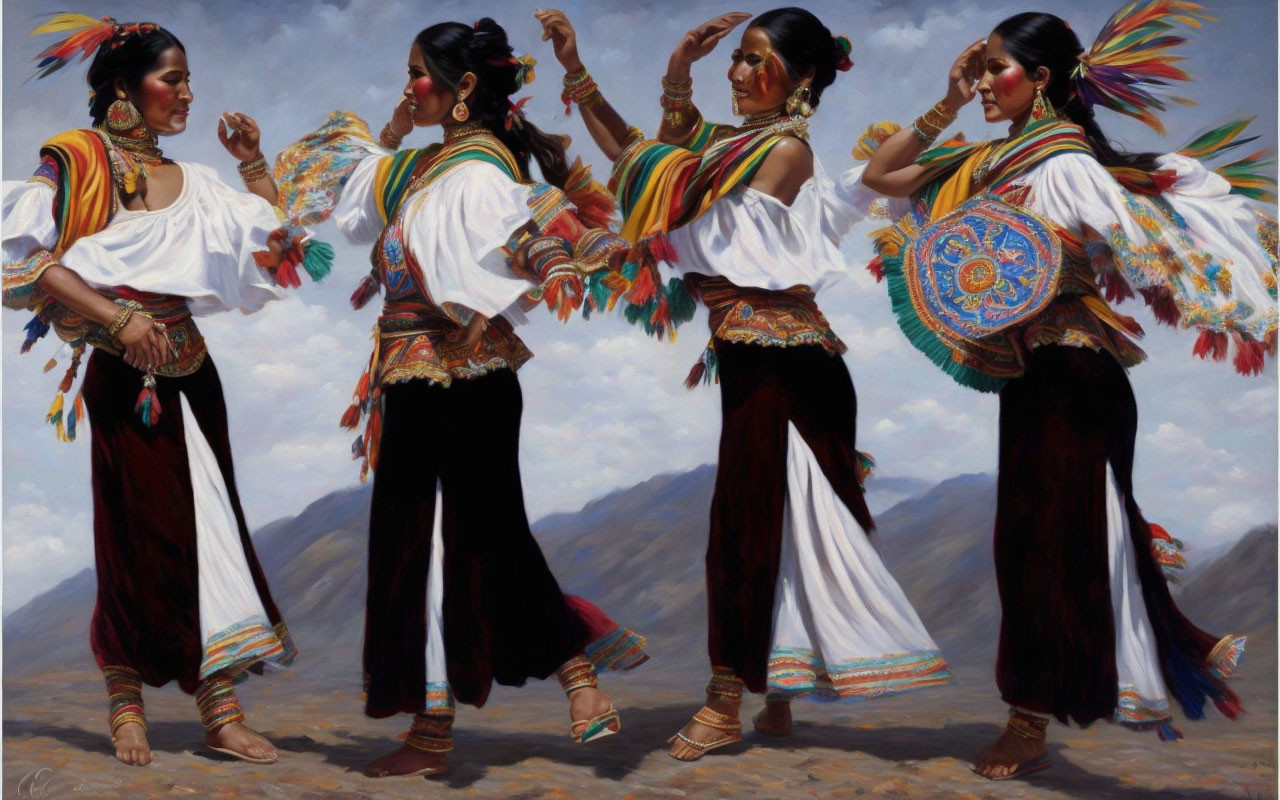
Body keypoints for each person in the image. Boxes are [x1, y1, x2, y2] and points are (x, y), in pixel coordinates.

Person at [861, 1, 1271, 781]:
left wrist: (1109, 249)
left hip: (1080, 373)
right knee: (1029, 541)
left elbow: (1135, 243)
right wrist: (945, 104)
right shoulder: (990, 161)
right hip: (1038, 378)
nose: (982, 83)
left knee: (1053, 542)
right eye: (976, 70)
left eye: (994, 69)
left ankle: (1030, 719)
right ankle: (1127, 667)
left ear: (1040, 79)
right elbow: (883, 176)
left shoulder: (1067, 161)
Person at [536, 6, 952, 762]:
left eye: (753, 58)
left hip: (787, 362)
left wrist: (668, 100)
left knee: (746, 526)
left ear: (797, 80)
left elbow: (655, 180)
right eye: (735, 58)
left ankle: (726, 702)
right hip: (764, 354)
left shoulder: (783, 153)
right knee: (773, 522)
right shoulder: (737, 149)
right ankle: (780, 695)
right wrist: (595, 69)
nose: (736, 71)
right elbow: (647, 163)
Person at [273, 17, 648, 779]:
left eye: (416, 73)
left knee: (489, 533)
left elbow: (516, 229)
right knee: (412, 547)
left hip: (469, 374)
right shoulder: (420, 167)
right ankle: (431, 727)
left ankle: (576, 677)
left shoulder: (479, 169)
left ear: (464, 87)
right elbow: (355, 212)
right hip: (407, 375)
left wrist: (545, 258)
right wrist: (397, 127)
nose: (406, 85)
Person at [3, 13, 327, 767]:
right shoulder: (79, 162)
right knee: (135, 532)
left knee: (211, 522)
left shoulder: (202, 182)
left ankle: (219, 708)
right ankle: (125, 705)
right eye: (171, 79)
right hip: (125, 370)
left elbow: (273, 246)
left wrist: (253, 164)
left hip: (191, 366)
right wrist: (117, 316)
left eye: (188, 81)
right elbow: (30, 261)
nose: (186, 94)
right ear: (125, 87)